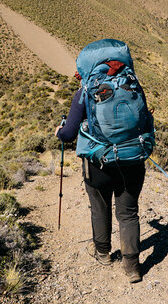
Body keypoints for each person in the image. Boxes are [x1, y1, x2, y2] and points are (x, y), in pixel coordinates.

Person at [55, 71, 145, 284]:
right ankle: (132, 267)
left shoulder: (84, 92)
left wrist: (59, 131)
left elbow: (68, 134)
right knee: (128, 214)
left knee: (100, 207)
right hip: (132, 161)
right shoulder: (132, 87)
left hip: (98, 166)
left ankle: (103, 253)